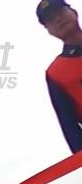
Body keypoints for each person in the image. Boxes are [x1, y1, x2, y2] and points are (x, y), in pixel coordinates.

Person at [40, 0, 82, 153]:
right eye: (50, 19)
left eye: (60, 12)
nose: (57, 19)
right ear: (49, 30)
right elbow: (69, 126)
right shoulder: (55, 73)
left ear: (73, 11)